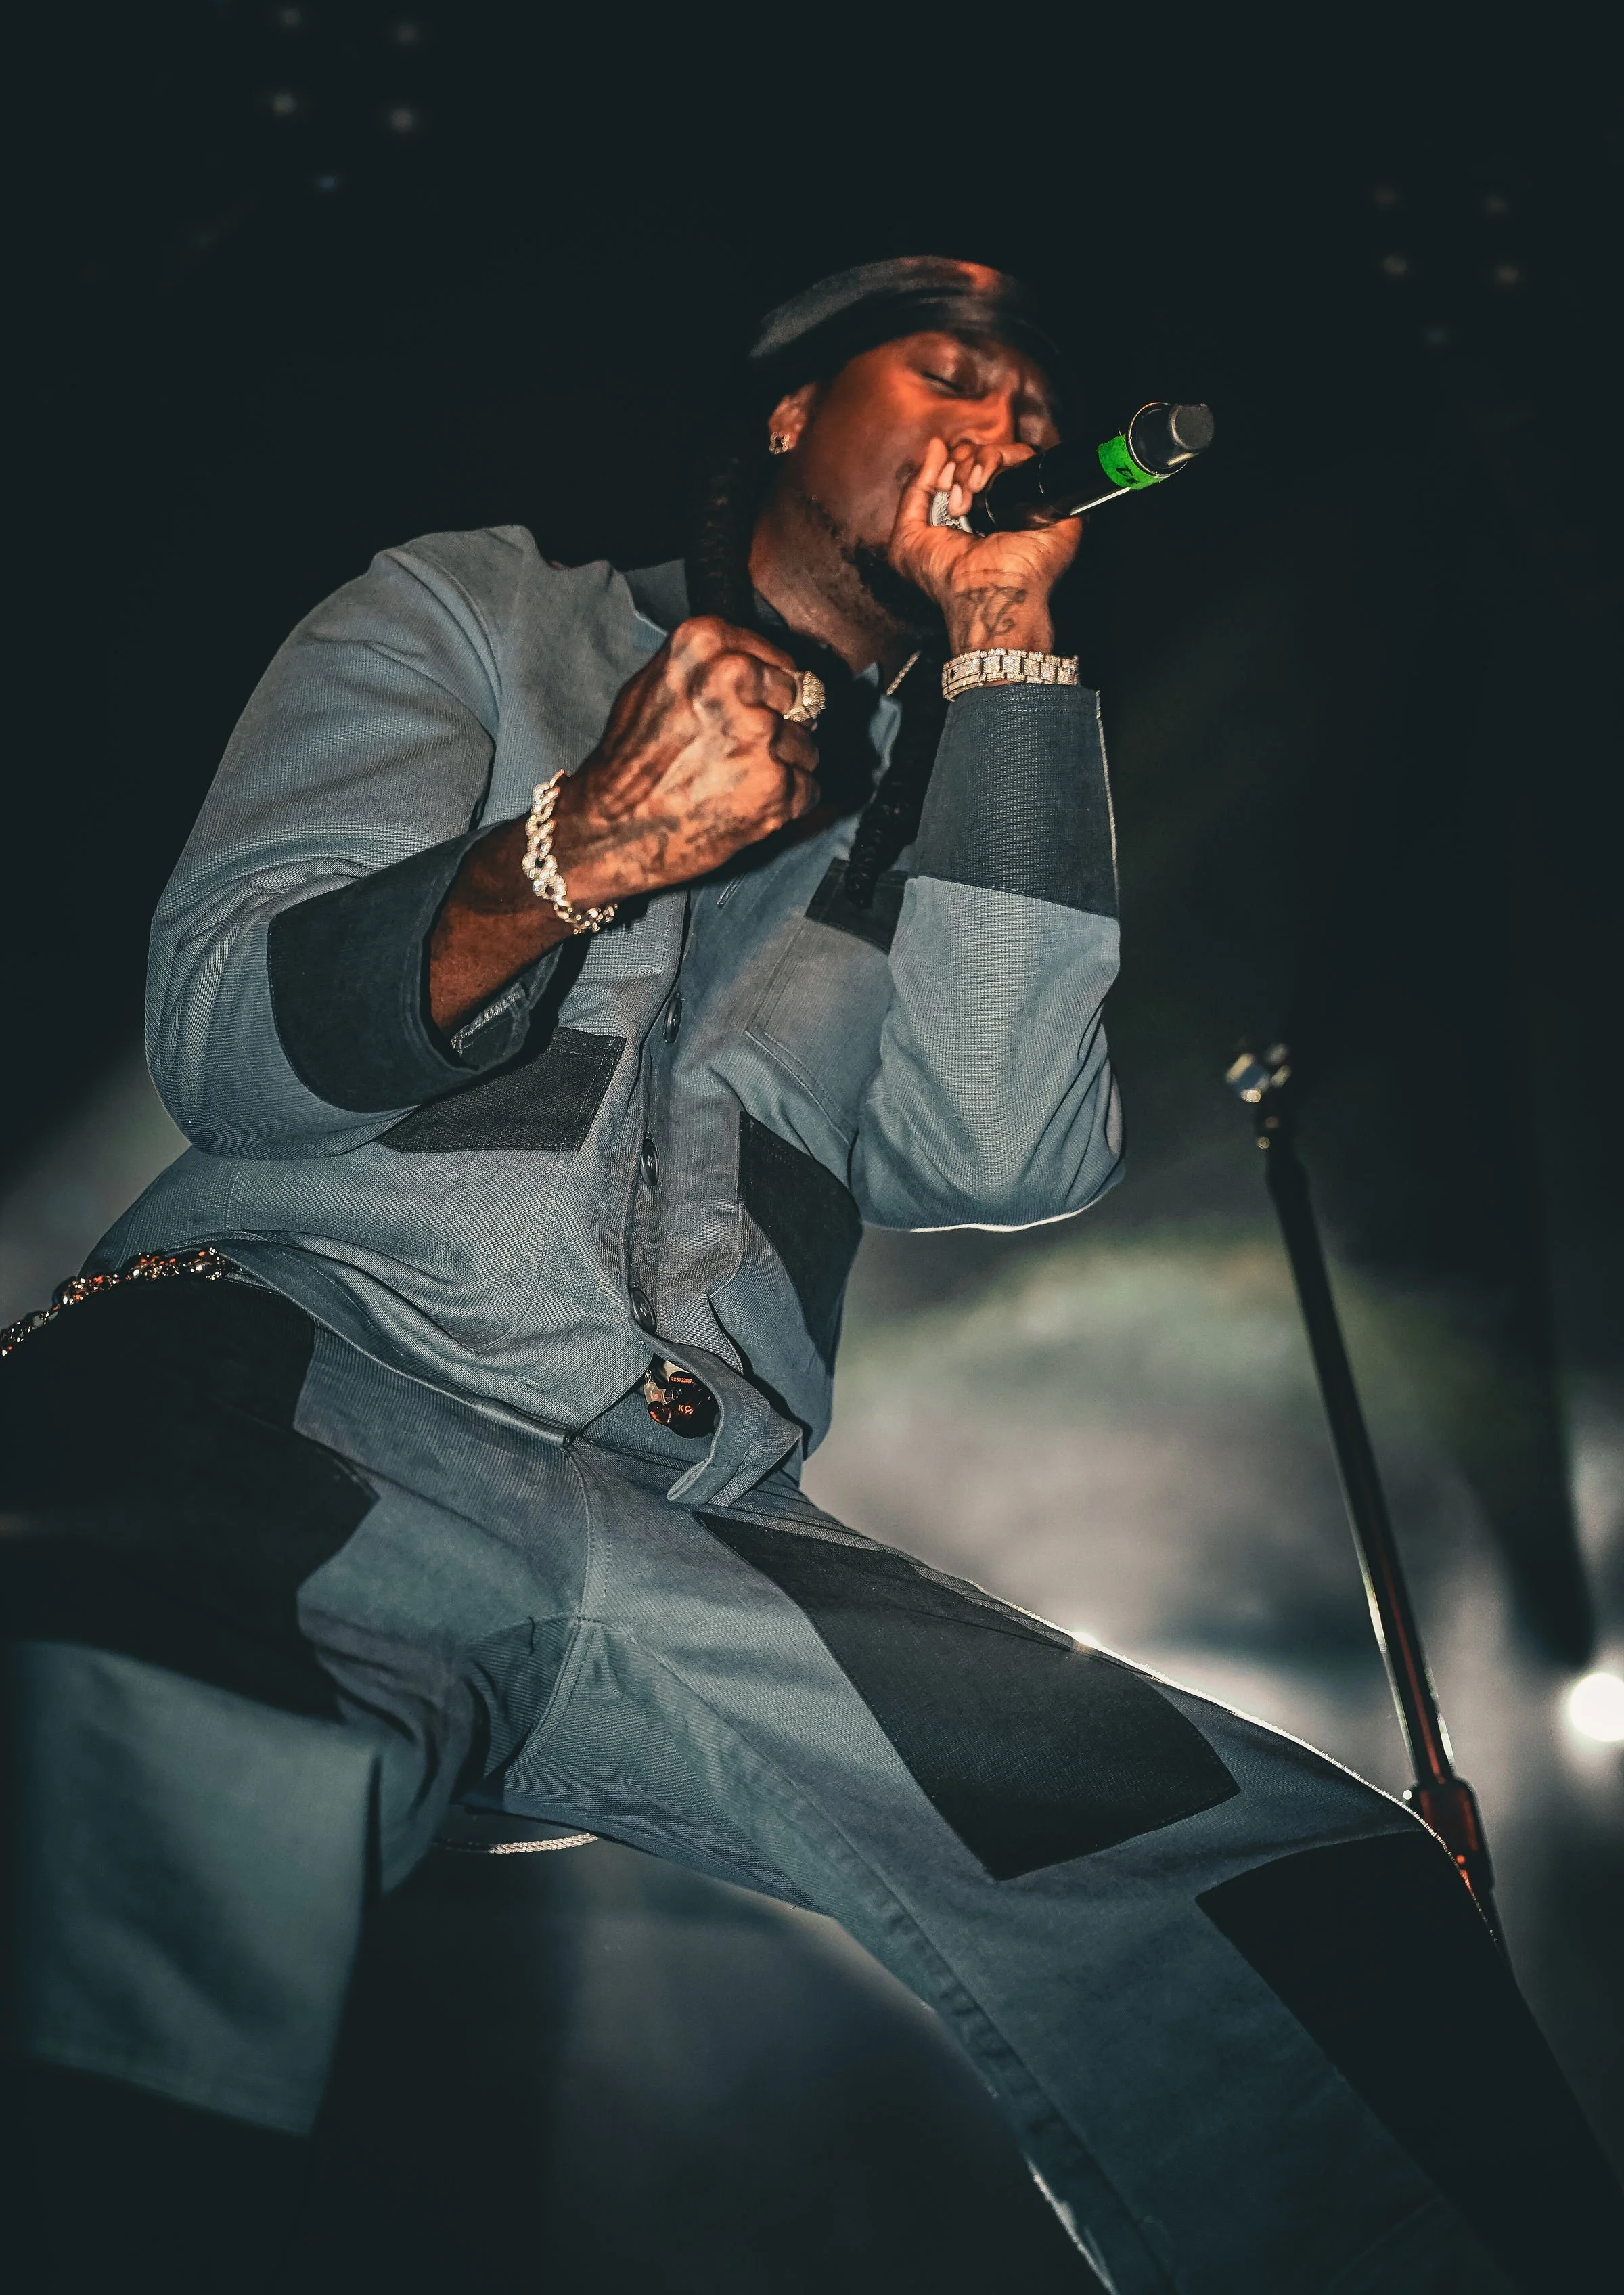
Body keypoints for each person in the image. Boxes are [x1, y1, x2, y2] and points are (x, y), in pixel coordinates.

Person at [2, 257, 1618, 2294]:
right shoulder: (472, 610)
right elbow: (233, 1039)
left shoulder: (962, 791)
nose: (1003, 426)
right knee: (135, 1756)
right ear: (785, 414)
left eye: (1035, 413)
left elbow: (1008, 1149)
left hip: (698, 1524)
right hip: (305, 1387)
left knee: (1291, 1884)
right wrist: (574, 846)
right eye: (950, 372)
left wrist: (1012, 664)